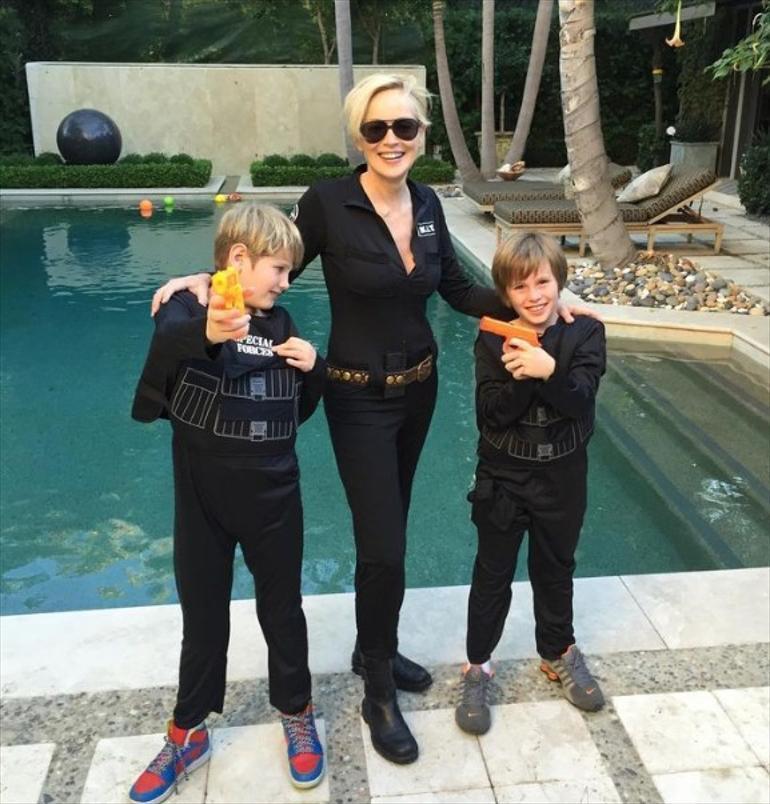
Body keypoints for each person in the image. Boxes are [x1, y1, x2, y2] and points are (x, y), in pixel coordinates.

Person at [151, 73, 592, 765]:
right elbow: (270, 259)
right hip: (356, 397)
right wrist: (208, 280)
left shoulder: (428, 204)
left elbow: (459, 289)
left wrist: (537, 301)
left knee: (395, 535)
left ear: (421, 135)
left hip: (418, 393)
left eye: (404, 127)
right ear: (359, 136)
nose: (391, 139)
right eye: (376, 128)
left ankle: (371, 646)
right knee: (382, 547)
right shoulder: (328, 203)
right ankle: (378, 688)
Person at [129, 204, 327, 803]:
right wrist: (210, 329)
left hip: (275, 495)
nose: (286, 282)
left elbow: (295, 410)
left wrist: (315, 371)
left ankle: (296, 711)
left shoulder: (281, 321)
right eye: (279, 268)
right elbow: (166, 349)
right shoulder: (186, 309)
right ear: (239, 258)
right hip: (202, 500)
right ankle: (187, 733)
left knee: (282, 611)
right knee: (203, 618)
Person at [454, 232, 606, 737]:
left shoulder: (586, 332)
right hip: (504, 477)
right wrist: (521, 375)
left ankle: (558, 649)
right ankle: (478, 665)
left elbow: (580, 400)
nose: (534, 295)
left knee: (556, 565)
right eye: (520, 287)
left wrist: (548, 370)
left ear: (559, 282)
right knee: (492, 572)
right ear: (505, 293)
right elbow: (490, 415)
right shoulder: (492, 338)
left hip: (563, 476)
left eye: (542, 282)